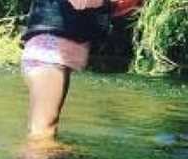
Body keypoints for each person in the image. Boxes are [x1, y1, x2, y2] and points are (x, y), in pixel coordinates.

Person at [21, 0, 143, 139]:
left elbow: (104, 8)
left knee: (44, 131)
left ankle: (46, 158)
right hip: (49, 55)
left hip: (52, 56)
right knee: (42, 133)